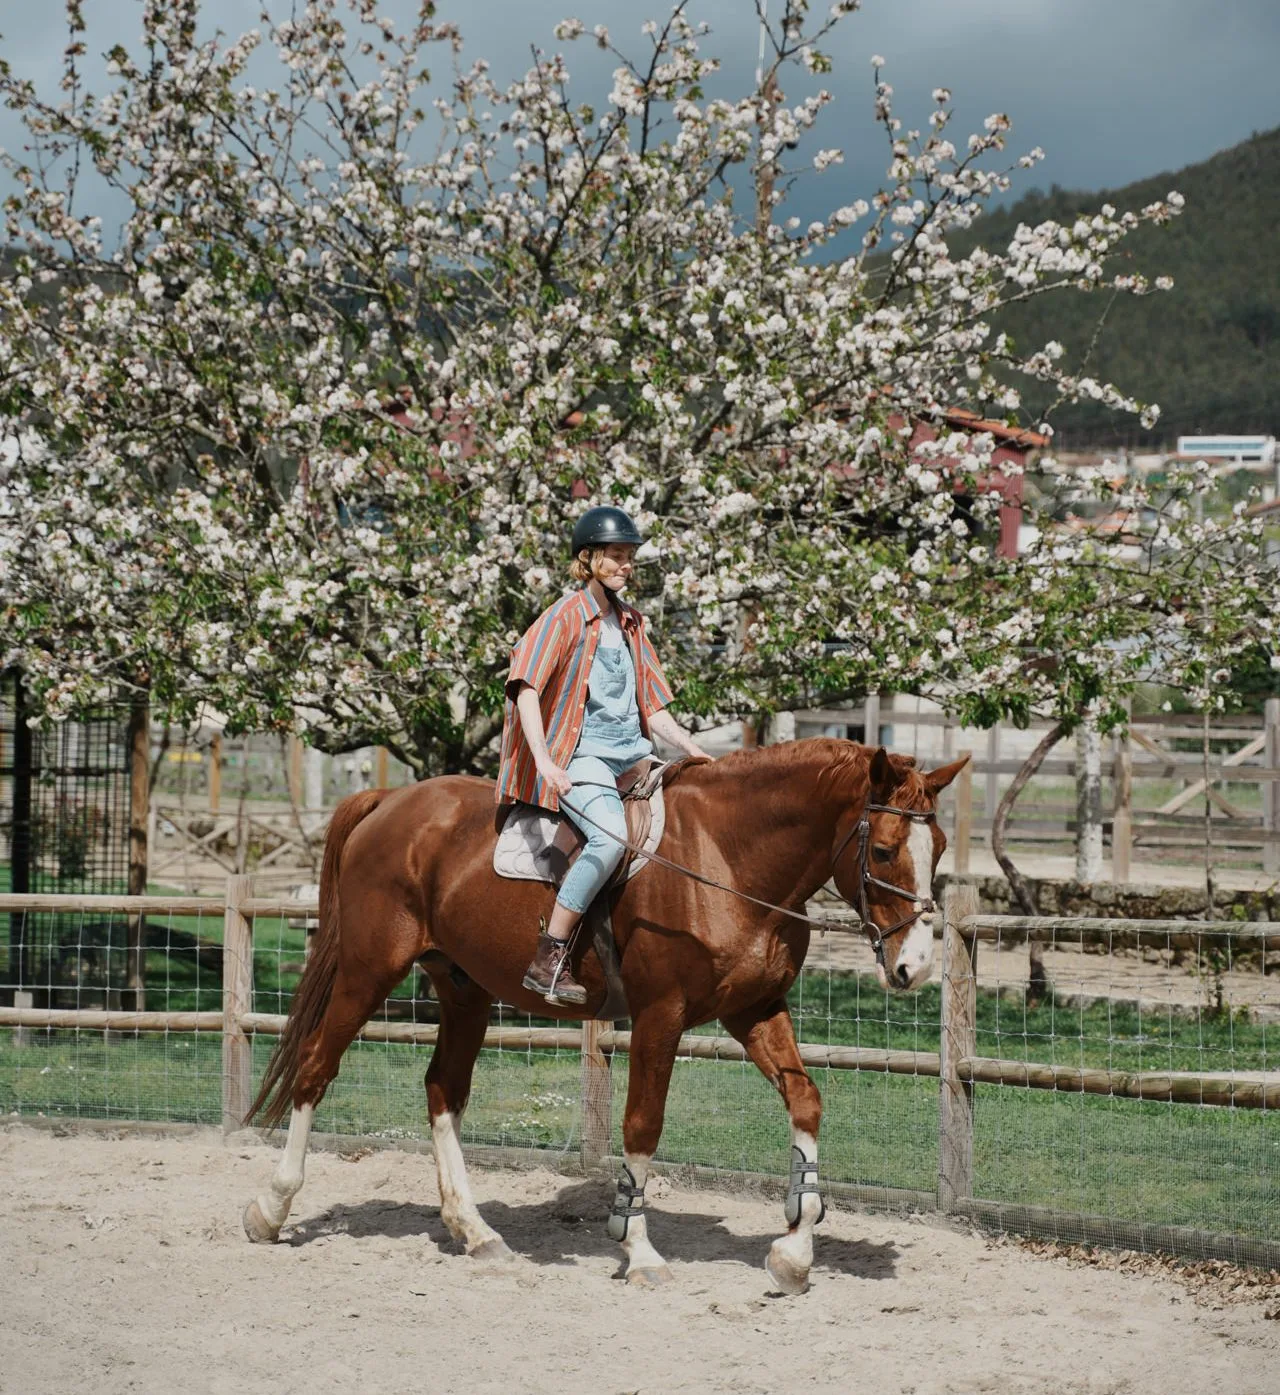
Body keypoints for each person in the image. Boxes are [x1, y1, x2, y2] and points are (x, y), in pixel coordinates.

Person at [496, 506, 711, 1004]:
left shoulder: (633, 623)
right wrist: (546, 763)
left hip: (634, 756)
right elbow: (526, 688)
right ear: (588, 558)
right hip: (581, 759)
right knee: (611, 839)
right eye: (616, 555)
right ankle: (550, 955)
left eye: (630, 556)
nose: (625, 565)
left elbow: (652, 707)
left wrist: (693, 750)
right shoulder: (563, 616)